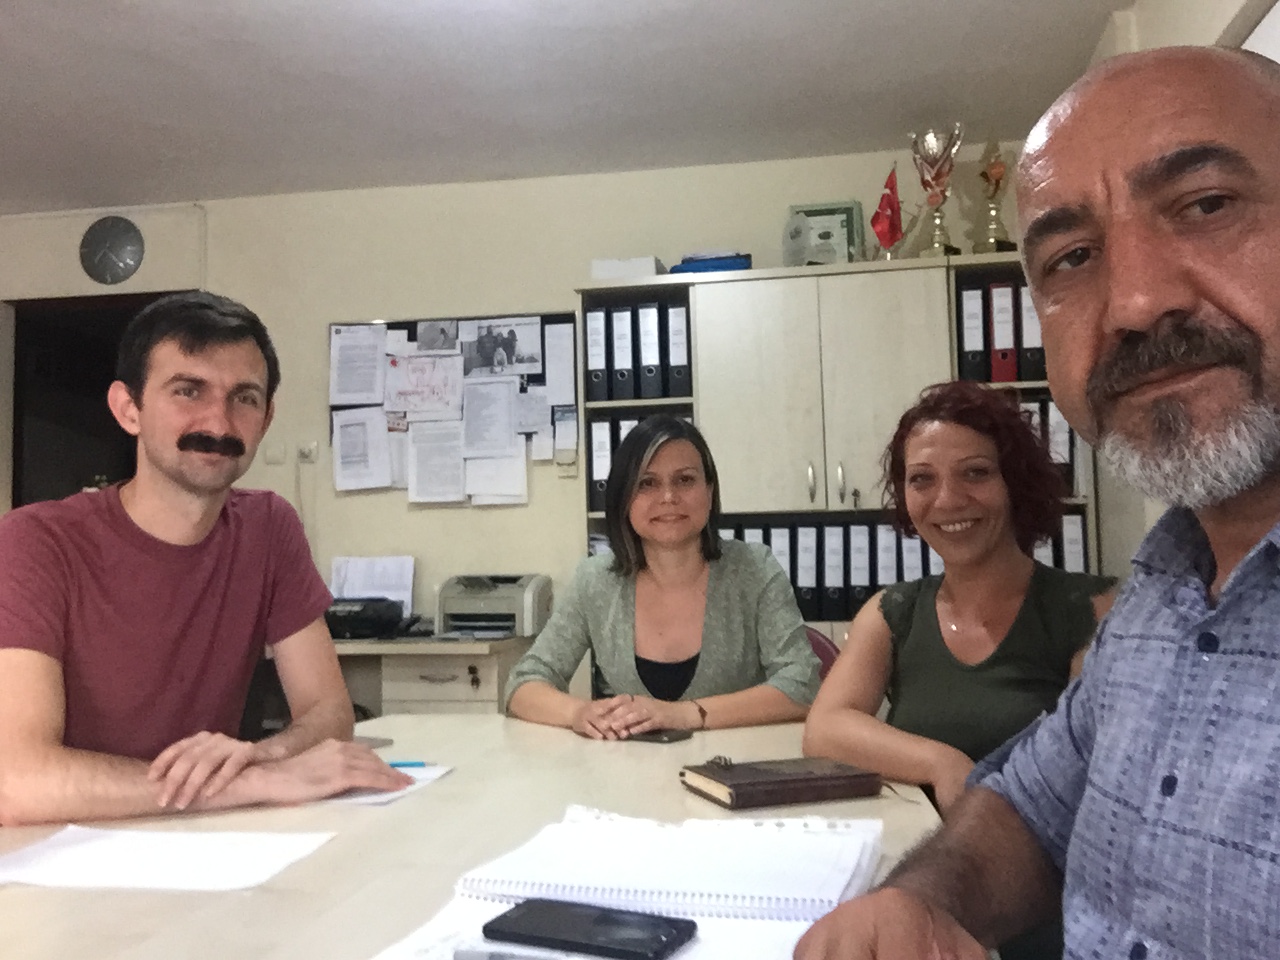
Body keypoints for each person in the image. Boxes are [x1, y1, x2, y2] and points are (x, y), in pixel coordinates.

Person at [795, 46, 1280, 960]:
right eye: (1072, 257)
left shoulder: (1089, 605)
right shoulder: (1158, 595)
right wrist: (925, 902)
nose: (1134, 302)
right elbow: (1038, 805)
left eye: (1206, 205)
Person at [0, 292, 411, 826]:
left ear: (266, 418)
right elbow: (16, 780)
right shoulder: (35, 542)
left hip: (201, 841)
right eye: (188, 391)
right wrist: (253, 783)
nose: (218, 423)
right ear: (128, 409)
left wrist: (263, 756)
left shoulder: (269, 526)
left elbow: (328, 712)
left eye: (244, 398)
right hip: (54, 851)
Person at [803, 381, 1114, 960]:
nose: (947, 499)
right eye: (922, 479)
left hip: (1044, 915)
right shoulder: (893, 611)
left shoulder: (1092, 611)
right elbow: (825, 728)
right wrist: (944, 764)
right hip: (923, 886)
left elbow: (1094, 787)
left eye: (975, 473)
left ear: (1015, 482)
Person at [505, 414, 820, 738]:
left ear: (709, 491)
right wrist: (577, 712)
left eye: (685, 480)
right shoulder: (595, 581)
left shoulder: (754, 569)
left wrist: (685, 714)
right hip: (629, 766)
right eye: (647, 483)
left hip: (734, 763)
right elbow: (524, 683)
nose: (668, 497)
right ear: (624, 498)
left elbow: (803, 685)